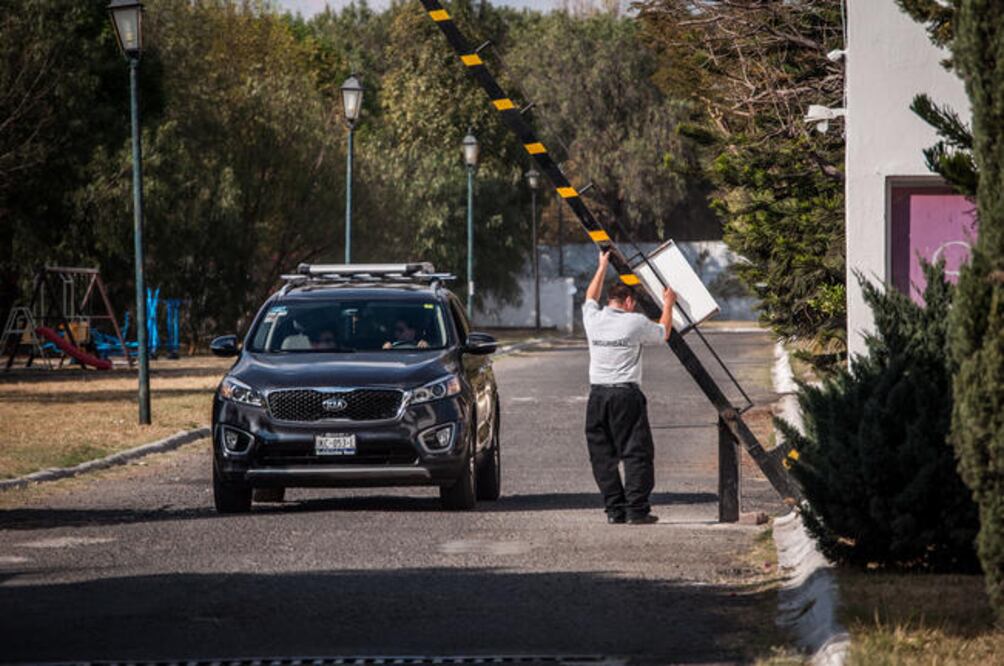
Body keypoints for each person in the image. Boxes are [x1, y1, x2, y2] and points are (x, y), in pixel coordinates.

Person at [582, 249, 675, 525]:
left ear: (610, 300)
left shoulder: (593, 319)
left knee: (602, 456)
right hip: (626, 396)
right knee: (636, 453)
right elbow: (663, 333)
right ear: (629, 302)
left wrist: (601, 266)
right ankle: (636, 510)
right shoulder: (634, 323)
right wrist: (668, 304)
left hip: (597, 396)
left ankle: (614, 510)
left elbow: (589, 297)